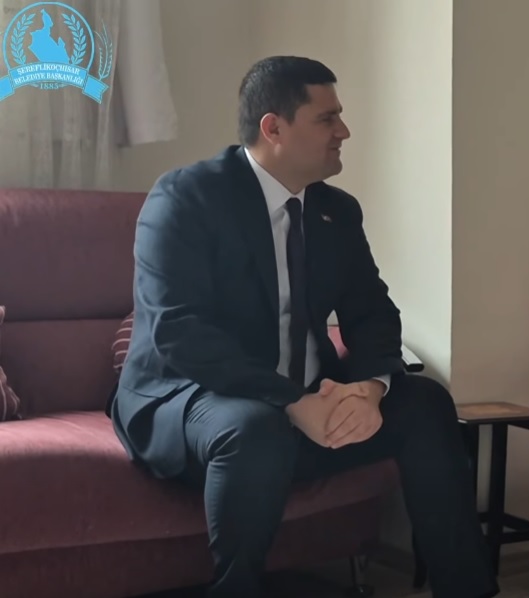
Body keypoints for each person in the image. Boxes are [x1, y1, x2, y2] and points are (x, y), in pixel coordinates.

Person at [109, 56, 498, 598]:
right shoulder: (185, 198)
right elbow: (180, 332)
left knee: (426, 403)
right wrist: (292, 400)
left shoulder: (337, 211)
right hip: (189, 397)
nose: (344, 131)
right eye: (327, 118)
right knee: (255, 427)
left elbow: (372, 312)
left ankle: (467, 589)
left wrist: (369, 388)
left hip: (309, 398)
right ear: (274, 128)